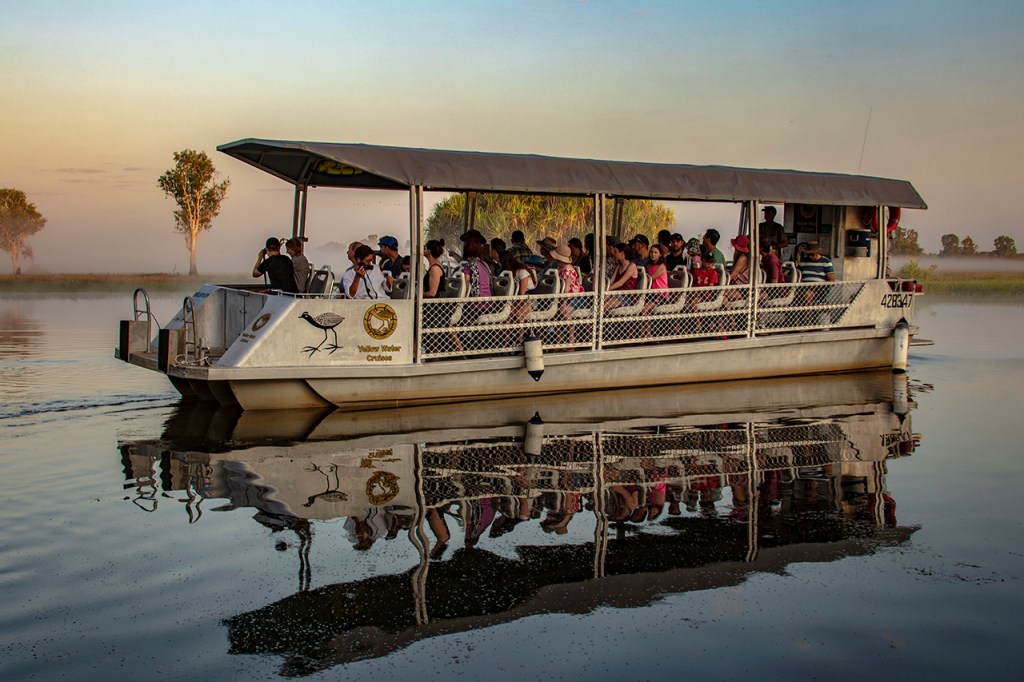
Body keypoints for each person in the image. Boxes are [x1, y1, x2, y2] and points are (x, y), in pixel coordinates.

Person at [604, 242, 638, 312]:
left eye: (616, 252)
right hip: (615, 293)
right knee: (599, 302)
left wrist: (607, 290)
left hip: (625, 296)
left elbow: (620, 283)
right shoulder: (619, 266)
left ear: (622, 254)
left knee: (603, 306)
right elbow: (612, 281)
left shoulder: (632, 266)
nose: (614, 254)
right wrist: (604, 288)